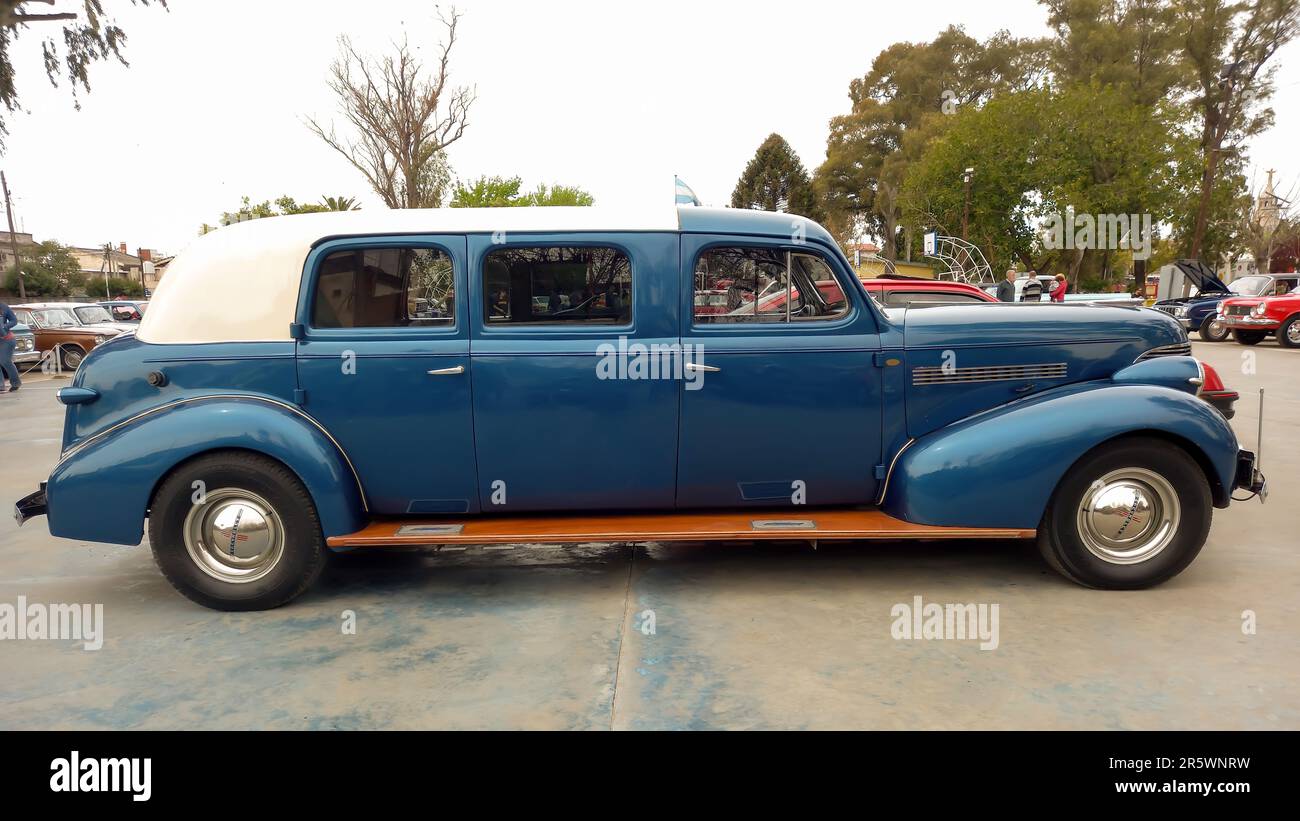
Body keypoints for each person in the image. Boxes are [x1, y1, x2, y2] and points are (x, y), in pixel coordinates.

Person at [0, 300, 20, 393]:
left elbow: (14, 320)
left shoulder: (3, 307)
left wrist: (5, 326)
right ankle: (0, 385)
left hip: (6, 339)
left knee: (5, 361)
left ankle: (16, 383)